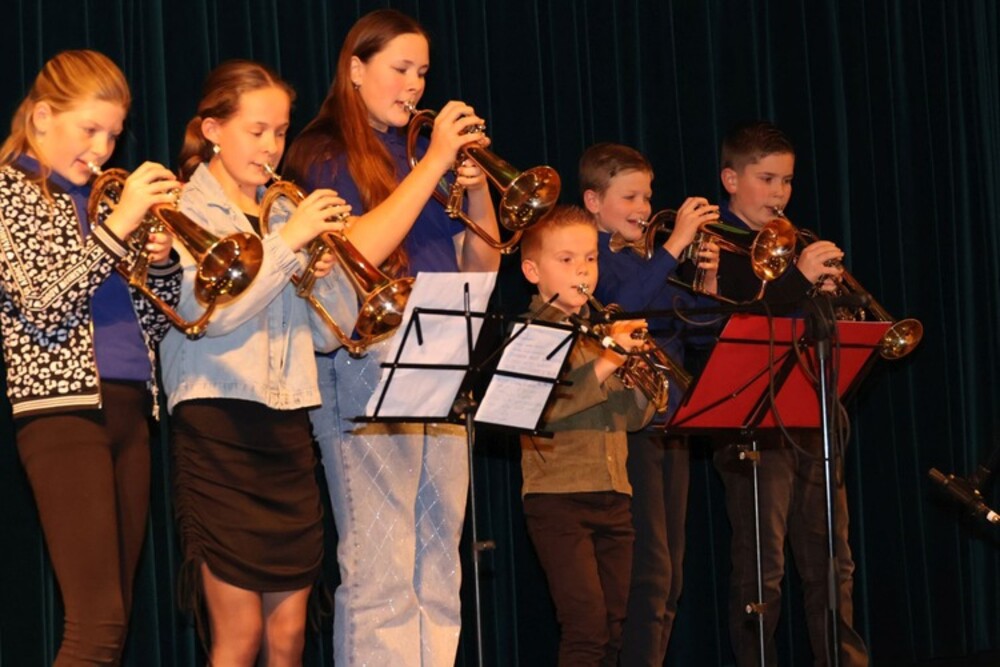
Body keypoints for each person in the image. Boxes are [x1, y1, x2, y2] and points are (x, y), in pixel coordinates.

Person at [283, 8, 501, 666]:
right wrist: (431, 165)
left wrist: (476, 191)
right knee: (382, 569)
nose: (414, 85)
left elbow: (482, 271)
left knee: (439, 567)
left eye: (423, 72)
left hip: (440, 344)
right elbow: (357, 253)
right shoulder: (322, 152)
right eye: (400, 68)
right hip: (365, 358)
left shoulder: (417, 156)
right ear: (355, 70)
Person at [159, 59, 358, 666]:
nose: (271, 146)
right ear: (213, 130)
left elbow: (331, 335)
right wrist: (288, 246)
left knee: (289, 639)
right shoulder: (183, 209)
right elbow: (207, 315)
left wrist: (323, 274)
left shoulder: (282, 214)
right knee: (239, 637)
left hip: (287, 428)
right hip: (218, 426)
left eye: (280, 132)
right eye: (256, 130)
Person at [0, 49, 182, 665]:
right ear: (42, 117)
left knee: (115, 621)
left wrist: (163, 265)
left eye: (113, 134)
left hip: (130, 408)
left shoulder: (102, 202)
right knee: (96, 624)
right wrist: (118, 226)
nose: (102, 149)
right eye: (90, 129)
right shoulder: (10, 190)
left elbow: (155, 325)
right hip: (62, 413)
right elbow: (42, 303)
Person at [711, 120, 869, 666]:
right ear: (731, 180)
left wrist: (830, 303)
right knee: (763, 571)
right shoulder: (717, 245)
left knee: (833, 562)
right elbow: (733, 325)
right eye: (767, 179)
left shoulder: (794, 242)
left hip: (812, 416)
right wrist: (798, 281)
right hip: (753, 427)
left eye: (787, 181)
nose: (779, 193)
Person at [579, 142, 720, 666]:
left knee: (672, 575)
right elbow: (625, 308)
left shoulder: (651, 262)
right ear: (594, 202)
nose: (644, 207)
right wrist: (675, 244)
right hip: (632, 425)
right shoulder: (595, 259)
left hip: (672, 420)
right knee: (650, 572)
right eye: (630, 196)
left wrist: (706, 279)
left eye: (647, 195)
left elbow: (700, 334)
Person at [518, 204, 656, 666]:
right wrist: (608, 362)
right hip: (558, 497)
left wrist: (643, 381)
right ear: (532, 271)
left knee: (614, 627)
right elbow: (543, 408)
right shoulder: (531, 334)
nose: (583, 270)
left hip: (614, 493)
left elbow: (632, 420)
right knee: (586, 628)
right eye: (567, 259)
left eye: (591, 258)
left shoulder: (599, 335)